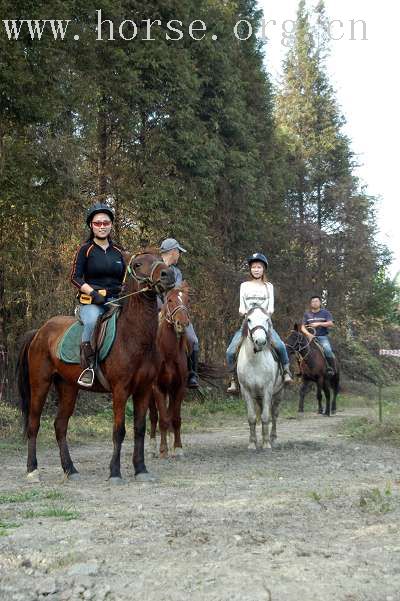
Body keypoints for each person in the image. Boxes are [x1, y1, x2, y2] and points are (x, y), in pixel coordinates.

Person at [70, 203, 125, 387]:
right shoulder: (85, 249)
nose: (102, 226)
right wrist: (93, 293)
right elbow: (75, 277)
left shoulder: (119, 252)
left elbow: (126, 279)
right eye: (97, 223)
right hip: (91, 302)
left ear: (111, 225)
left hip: (116, 300)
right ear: (91, 226)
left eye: (105, 222)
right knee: (93, 320)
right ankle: (88, 367)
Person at [226, 253, 293, 392]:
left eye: (259, 267)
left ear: (264, 269)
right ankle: (233, 380)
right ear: (250, 269)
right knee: (230, 351)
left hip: (264, 324)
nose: (256, 269)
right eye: (254, 267)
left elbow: (271, 308)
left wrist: (262, 316)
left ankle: (286, 372)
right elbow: (241, 307)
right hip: (248, 324)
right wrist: (244, 312)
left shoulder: (268, 286)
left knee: (280, 346)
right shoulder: (244, 285)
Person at [160, 238, 199, 388]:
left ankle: (192, 374)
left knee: (193, 340)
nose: (179, 256)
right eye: (178, 253)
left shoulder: (177, 272)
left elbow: (177, 293)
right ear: (173, 252)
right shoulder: (155, 267)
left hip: (175, 310)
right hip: (157, 309)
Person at [301, 295, 336, 375]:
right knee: (299, 349)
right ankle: (301, 369)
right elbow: (302, 327)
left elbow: (331, 323)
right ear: (310, 304)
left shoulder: (325, 313)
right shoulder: (307, 314)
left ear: (320, 303)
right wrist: (308, 334)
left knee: (327, 349)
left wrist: (319, 323)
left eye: (316, 301)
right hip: (309, 337)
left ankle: (331, 368)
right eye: (312, 302)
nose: (314, 303)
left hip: (321, 337)